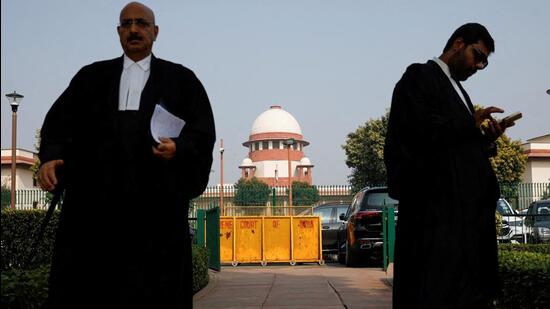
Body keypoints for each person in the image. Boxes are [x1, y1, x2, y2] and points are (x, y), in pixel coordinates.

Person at [37, 2, 215, 308]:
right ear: (119, 32)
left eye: (142, 23)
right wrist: (50, 157)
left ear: (155, 32)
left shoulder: (181, 81)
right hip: (93, 218)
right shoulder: (90, 78)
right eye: (127, 23)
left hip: (156, 218)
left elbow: (201, 133)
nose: (134, 29)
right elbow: (58, 124)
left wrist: (179, 148)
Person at [384, 23, 514, 309]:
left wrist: (485, 140)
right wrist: (469, 123)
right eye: (477, 55)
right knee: (433, 293)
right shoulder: (419, 76)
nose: (479, 66)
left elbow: (456, 146)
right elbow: (421, 133)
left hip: (464, 224)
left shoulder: (459, 92)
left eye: (485, 62)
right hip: (435, 221)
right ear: (458, 44)